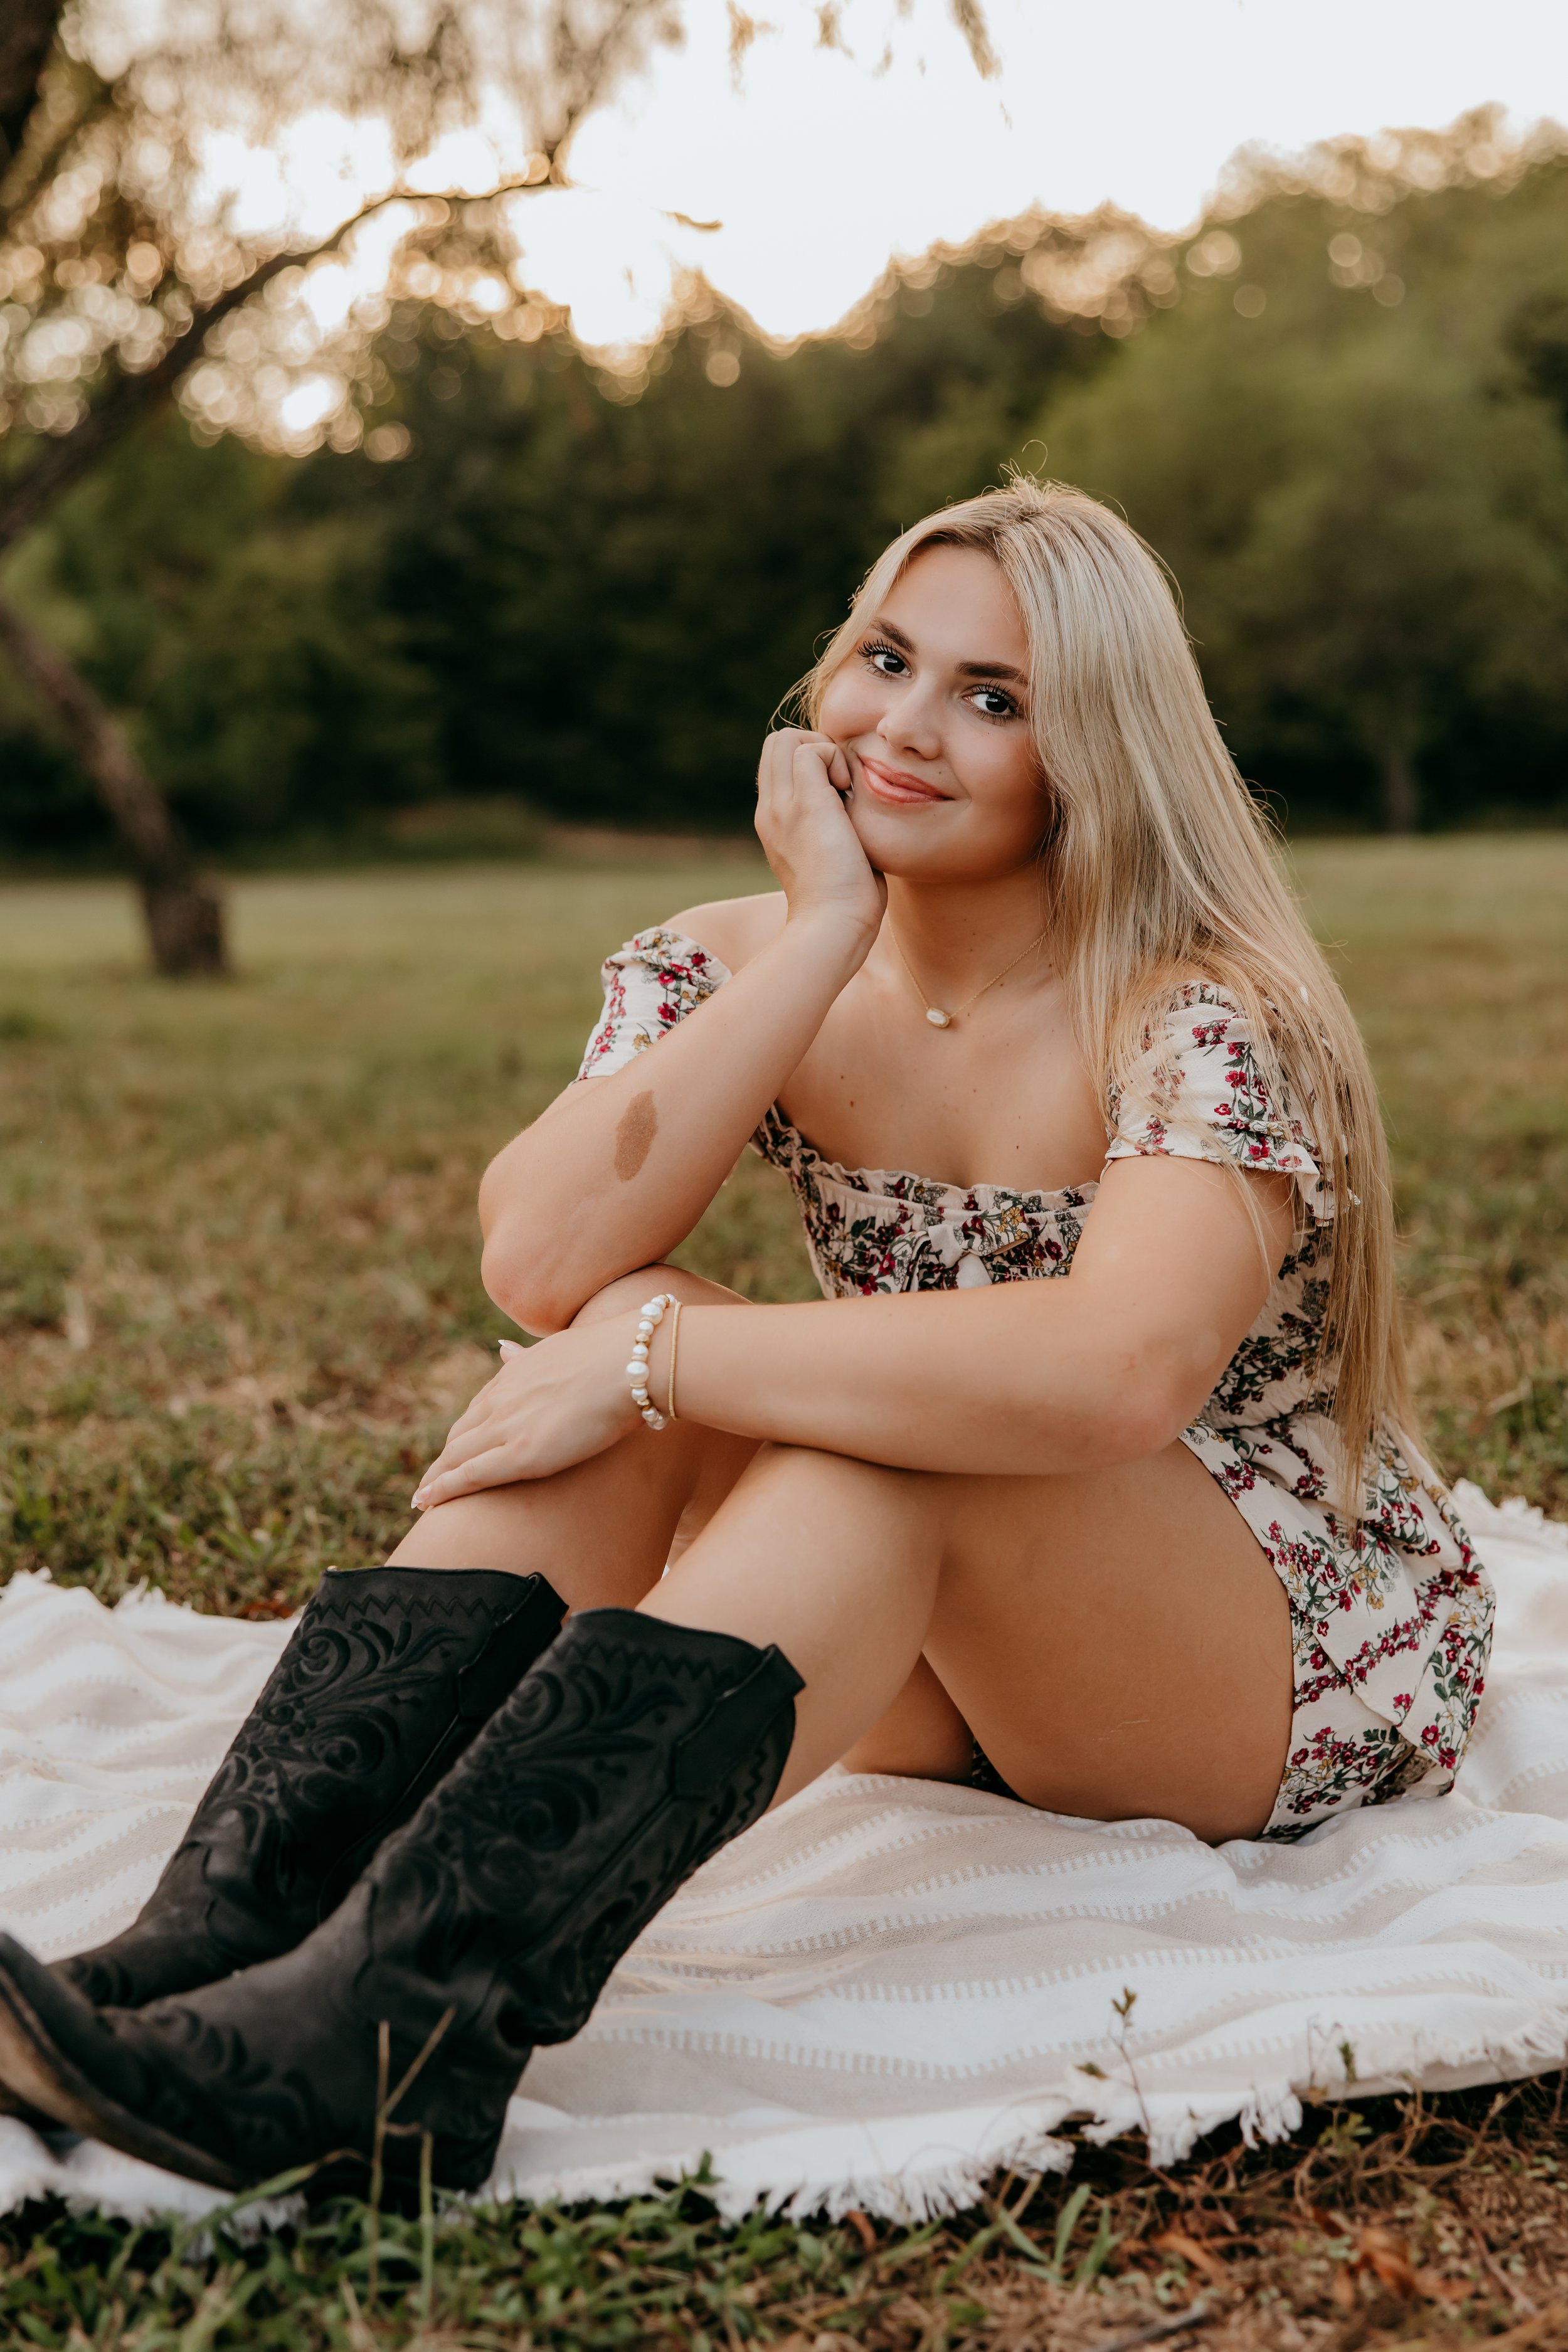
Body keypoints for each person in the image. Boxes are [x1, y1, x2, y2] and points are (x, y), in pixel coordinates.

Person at [0, 480, 1493, 2198]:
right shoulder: (733, 958)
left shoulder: (1201, 1008)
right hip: (952, 1639)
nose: (905, 729)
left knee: (770, 1406)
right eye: (883, 659)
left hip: (1266, 1641)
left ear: (1094, 746)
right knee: (633, 1329)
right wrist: (819, 939)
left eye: (991, 698)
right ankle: (212, 1945)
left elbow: (1117, 1377)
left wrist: (669, 1363)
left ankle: (398, 2040)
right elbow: (543, 1260)